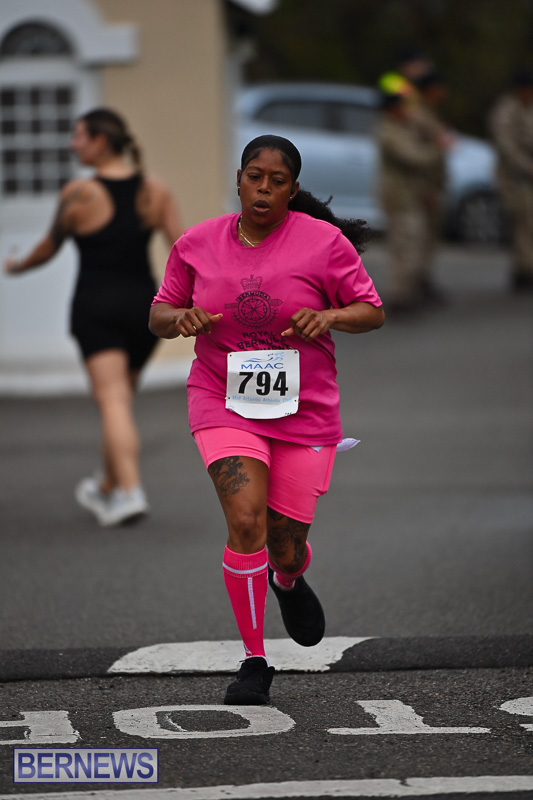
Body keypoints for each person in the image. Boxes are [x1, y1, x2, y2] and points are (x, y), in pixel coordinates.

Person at [149, 134, 385, 705]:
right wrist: (181, 318)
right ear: (239, 178)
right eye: (255, 176)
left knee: (283, 545)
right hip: (222, 398)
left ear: (293, 189)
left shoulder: (325, 243)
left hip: (304, 408)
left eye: (277, 181)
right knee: (246, 520)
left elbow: (371, 312)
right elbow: (158, 313)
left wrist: (328, 317)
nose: (264, 187)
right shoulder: (196, 243)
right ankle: (255, 660)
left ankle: (288, 578)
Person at [5, 108, 182, 526]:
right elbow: (184, 249)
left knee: (112, 401)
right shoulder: (154, 191)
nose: (73, 144)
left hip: (96, 308)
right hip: (145, 308)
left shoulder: (78, 194)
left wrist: (15, 266)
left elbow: (49, 247)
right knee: (118, 404)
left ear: (100, 141)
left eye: (78, 136)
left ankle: (130, 491)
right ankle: (106, 485)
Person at [377, 83, 449, 313]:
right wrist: (438, 149)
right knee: (404, 246)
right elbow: (413, 157)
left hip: (411, 196)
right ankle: (400, 297)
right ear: (391, 109)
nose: (405, 110)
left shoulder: (403, 126)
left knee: (414, 244)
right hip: (400, 199)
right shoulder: (389, 131)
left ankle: (410, 291)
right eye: (401, 106)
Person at [488, 68, 533, 292]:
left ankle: (526, 267)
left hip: (528, 176)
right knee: (523, 223)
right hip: (514, 178)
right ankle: (524, 271)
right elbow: (507, 146)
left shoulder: (528, 107)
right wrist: (527, 166)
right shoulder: (507, 110)